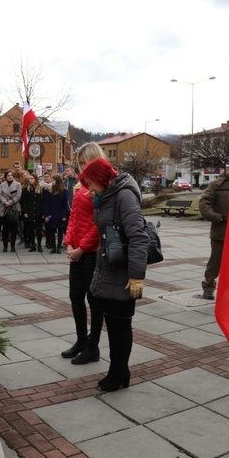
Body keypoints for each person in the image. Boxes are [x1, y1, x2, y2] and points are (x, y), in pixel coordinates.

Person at [78, 157, 148, 392]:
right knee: (113, 325)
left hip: (124, 271)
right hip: (110, 269)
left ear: (101, 177)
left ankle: (119, 372)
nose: (89, 188)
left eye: (90, 183)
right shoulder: (106, 195)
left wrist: (137, 275)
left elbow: (138, 236)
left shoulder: (124, 195)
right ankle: (118, 371)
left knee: (121, 326)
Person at [61, 142, 107, 365]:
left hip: (92, 252)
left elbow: (98, 224)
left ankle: (93, 346)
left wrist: (81, 248)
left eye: (84, 162)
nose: (81, 168)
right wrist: (69, 243)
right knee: (75, 296)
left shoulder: (101, 185)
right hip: (77, 251)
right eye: (79, 164)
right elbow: (74, 218)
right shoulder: (80, 186)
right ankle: (81, 340)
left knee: (93, 299)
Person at [195, 155, 229, 300]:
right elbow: (204, 203)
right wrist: (216, 217)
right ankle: (208, 287)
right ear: (227, 169)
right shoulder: (216, 185)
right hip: (221, 231)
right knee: (215, 263)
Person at [44, 174, 69, 254]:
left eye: (54, 180)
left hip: (61, 214)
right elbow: (46, 204)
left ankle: (58, 246)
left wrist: (65, 215)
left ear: (58, 181)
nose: (52, 182)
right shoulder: (50, 191)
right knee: (51, 230)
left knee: (60, 231)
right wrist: (46, 214)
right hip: (52, 214)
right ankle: (53, 247)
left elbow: (66, 204)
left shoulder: (64, 191)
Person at [0, 170, 22, 252]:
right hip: (4, 208)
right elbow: (0, 194)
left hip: (14, 208)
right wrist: (5, 202)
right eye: (8, 175)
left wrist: (10, 202)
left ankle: (12, 246)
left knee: (14, 229)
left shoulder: (18, 184)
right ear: (5, 177)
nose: (10, 177)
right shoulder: (2, 184)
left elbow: (19, 195)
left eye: (11, 175)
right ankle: (5, 246)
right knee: (5, 229)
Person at [21, 173, 45, 252]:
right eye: (29, 178)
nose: (30, 180)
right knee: (30, 230)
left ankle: (39, 245)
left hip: (38, 212)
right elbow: (24, 202)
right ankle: (32, 245)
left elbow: (43, 202)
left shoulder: (40, 189)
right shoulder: (26, 189)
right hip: (30, 212)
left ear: (35, 179)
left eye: (32, 178)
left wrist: (43, 213)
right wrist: (25, 212)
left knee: (38, 230)